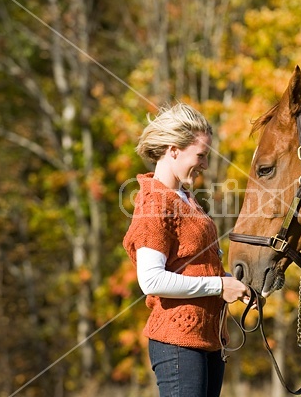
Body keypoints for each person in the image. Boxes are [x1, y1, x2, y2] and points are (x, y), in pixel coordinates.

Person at [122, 102, 249, 397]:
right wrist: (219, 285)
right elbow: (151, 280)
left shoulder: (185, 198)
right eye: (201, 156)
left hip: (209, 339)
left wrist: (235, 285)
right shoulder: (155, 203)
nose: (205, 164)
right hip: (177, 341)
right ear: (173, 150)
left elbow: (195, 267)